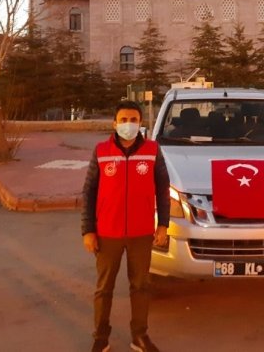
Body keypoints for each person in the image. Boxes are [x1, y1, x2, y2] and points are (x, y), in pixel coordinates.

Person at [81, 100, 170, 352]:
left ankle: (139, 335)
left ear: (140, 123)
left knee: (141, 287)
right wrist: (88, 230)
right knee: (103, 288)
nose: (128, 125)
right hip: (107, 233)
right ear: (114, 123)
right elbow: (89, 192)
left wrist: (163, 225)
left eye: (133, 120)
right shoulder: (101, 151)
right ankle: (101, 336)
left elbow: (163, 190)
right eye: (123, 120)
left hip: (142, 233)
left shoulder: (153, 150)